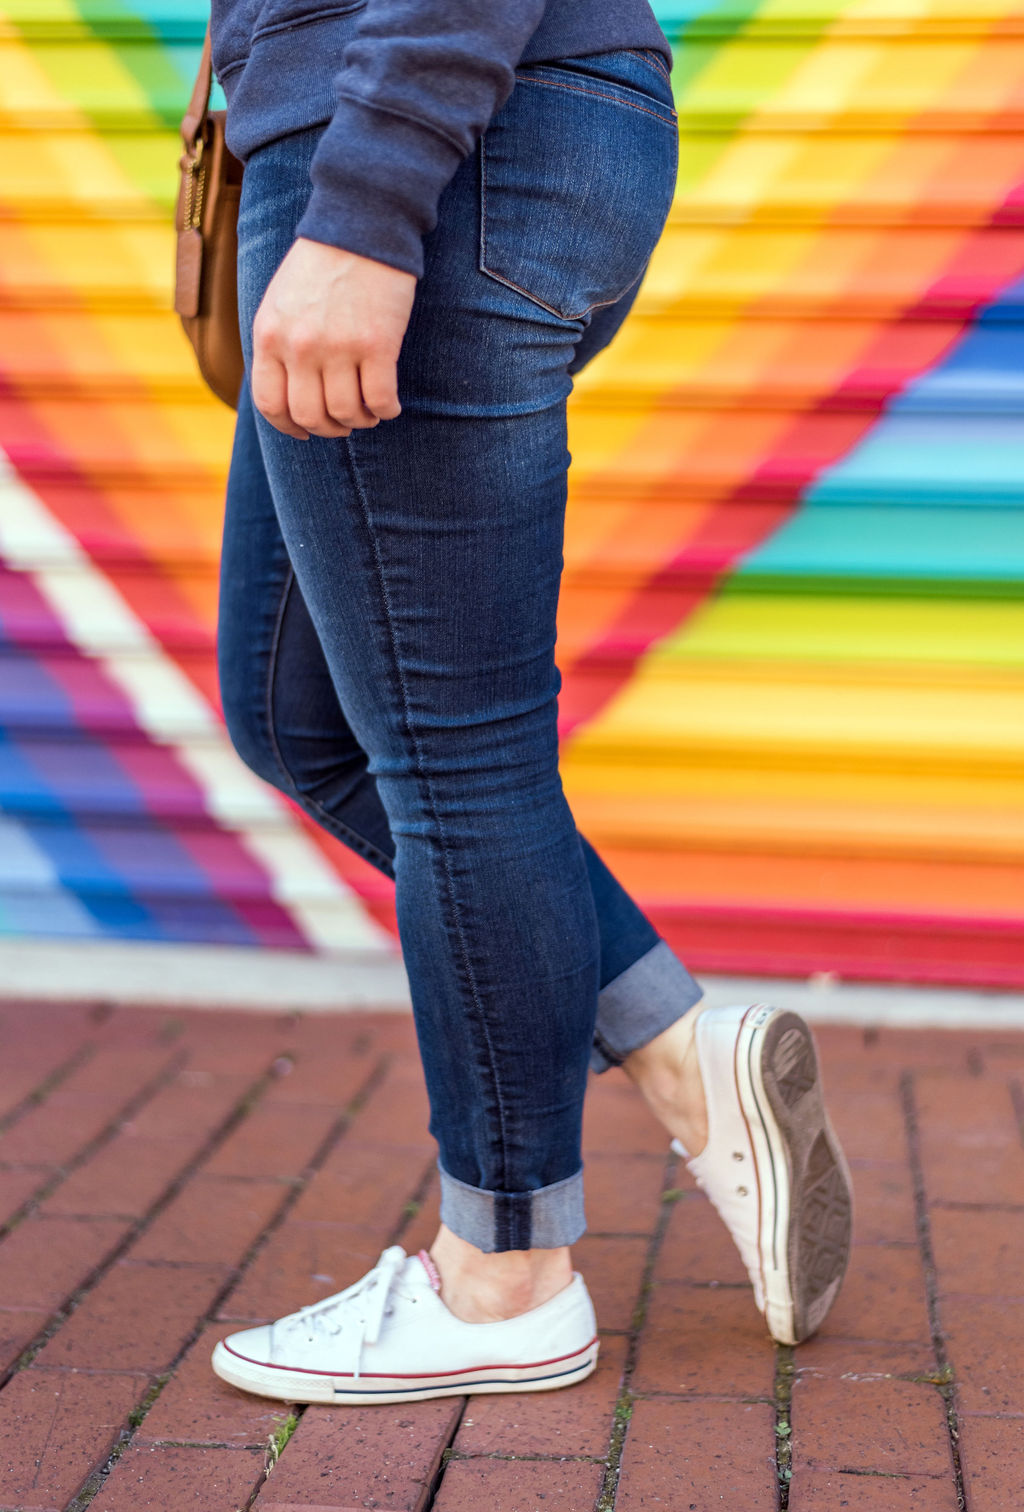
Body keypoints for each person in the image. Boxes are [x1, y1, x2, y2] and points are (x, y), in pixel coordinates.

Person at [208, 0, 853, 1405]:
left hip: (422, 141)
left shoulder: (390, 166)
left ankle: (505, 1277)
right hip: (444, 127)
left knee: (455, 749)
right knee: (298, 713)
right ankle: (684, 1051)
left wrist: (370, 199)